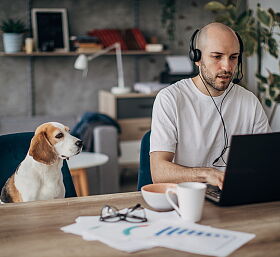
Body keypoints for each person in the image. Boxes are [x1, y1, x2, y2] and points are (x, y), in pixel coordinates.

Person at [150, 22, 271, 190]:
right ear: (197, 58)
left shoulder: (249, 101)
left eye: (233, 57)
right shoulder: (170, 98)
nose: (227, 67)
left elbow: (267, 160)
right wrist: (207, 174)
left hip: (235, 195)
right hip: (186, 200)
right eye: (217, 56)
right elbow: (159, 173)